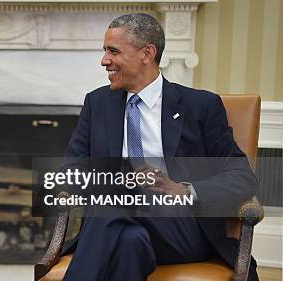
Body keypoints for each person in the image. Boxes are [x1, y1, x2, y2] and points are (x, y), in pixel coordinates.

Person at [62, 13, 258, 281]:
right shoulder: (98, 104)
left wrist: (182, 190)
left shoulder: (200, 107)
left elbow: (241, 178)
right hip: (118, 225)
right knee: (129, 241)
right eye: (105, 51)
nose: (104, 60)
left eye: (113, 51)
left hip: (182, 228)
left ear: (147, 53)